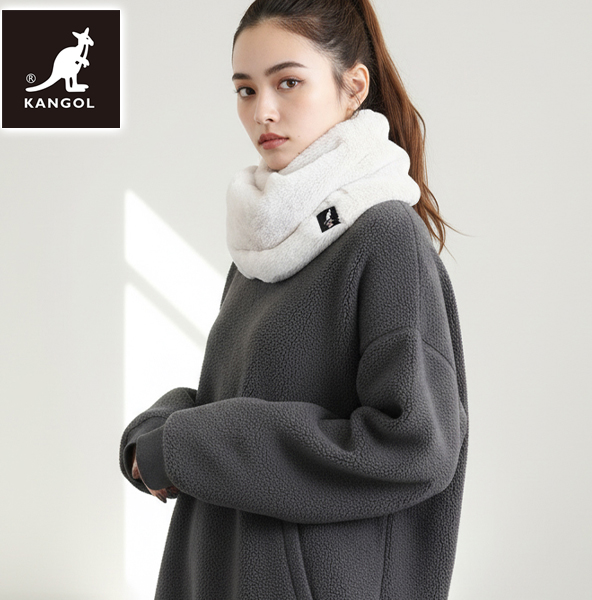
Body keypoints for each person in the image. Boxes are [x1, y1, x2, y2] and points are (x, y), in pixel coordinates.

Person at [119, 0, 469, 598]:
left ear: (353, 88)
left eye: (288, 82)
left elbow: (414, 443)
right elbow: (246, 397)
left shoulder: (384, 237)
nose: (263, 110)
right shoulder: (263, 248)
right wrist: (165, 426)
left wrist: (191, 444)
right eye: (245, 90)